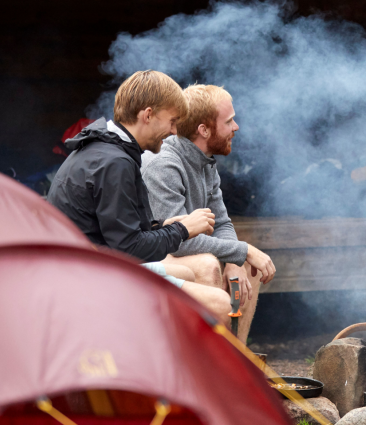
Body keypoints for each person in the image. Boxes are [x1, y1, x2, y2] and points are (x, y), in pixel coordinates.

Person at [47, 70, 231, 319]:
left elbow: (120, 231)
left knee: (188, 274)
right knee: (219, 303)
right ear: (148, 115)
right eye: (172, 121)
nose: (175, 131)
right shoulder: (115, 163)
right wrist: (182, 230)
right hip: (88, 278)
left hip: (91, 266)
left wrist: (165, 225)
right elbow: (131, 249)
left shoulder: (108, 149)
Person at [142, 84, 276, 342]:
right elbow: (178, 242)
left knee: (248, 270)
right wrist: (242, 250)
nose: (236, 127)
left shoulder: (205, 161)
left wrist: (237, 260)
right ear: (204, 130)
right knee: (208, 264)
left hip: (183, 250)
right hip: (152, 257)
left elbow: (222, 222)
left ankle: (234, 361)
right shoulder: (163, 164)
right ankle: (206, 364)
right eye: (229, 121)